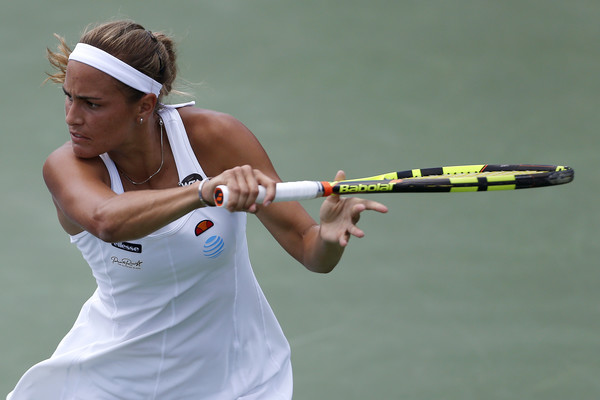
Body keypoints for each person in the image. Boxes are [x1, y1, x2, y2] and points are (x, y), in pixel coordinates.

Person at [7, 20, 388, 400]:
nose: (72, 117)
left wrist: (329, 237)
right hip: (112, 382)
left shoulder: (214, 138)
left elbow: (311, 250)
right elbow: (108, 220)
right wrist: (203, 192)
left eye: (92, 104)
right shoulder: (67, 166)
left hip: (237, 380)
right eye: (69, 96)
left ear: (144, 104)